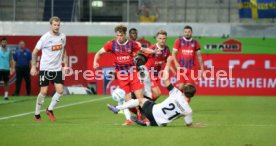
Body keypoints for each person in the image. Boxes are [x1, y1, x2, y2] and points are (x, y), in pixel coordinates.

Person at [107, 60, 206, 127]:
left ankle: (117, 108)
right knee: (163, 121)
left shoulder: (177, 93)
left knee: (141, 100)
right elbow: (189, 125)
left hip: (153, 111)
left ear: (183, 90)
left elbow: (165, 79)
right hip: (159, 123)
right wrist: (195, 125)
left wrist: (167, 64)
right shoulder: (188, 110)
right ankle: (147, 123)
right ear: (192, 96)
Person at [93, 25, 159, 124]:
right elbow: (98, 53)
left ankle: (145, 118)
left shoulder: (132, 44)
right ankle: (131, 119)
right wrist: (95, 62)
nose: (119, 37)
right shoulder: (111, 44)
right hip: (121, 76)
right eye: (117, 35)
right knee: (128, 101)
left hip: (133, 74)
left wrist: (153, 51)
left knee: (140, 98)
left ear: (125, 34)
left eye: (121, 35)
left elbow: (143, 50)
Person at [31, 16, 68, 122]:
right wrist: (34, 66)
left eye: (58, 25)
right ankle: (37, 114)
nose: (57, 27)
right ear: (51, 25)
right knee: (43, 92)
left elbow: (64, 50)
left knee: (60, 90)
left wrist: (65, 64)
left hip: (57, 68)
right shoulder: (45, 38)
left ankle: (50, 109)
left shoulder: (63, 37)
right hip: (45, 68)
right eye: (55, 25)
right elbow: (34, 52)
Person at [172, 25, 204, 101]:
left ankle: (185, 106)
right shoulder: (178, 41)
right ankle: (177, 103)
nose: (187, 33)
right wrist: (176, 63)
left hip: (191, 69)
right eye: (185, 32)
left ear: (191, 33)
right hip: (181, 69)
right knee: (181, 87)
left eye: (189, 32)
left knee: (189, 89)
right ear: (183, 32)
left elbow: (199, 57)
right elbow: (173, 53)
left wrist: (202, 69)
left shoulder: (196, 43)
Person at [144, 30, 173, 101]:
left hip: (156, 75)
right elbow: (141, 59)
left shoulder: (167, 50)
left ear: (166, 39)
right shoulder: (152, 49)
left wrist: (168, 70)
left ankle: (142, 107)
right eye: (160, 38)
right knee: (157, 93)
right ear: (157, 39)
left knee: (150, 95)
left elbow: (168, 60)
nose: (162, 40)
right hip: (148, 75)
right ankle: (145, 107)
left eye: (164, 38)